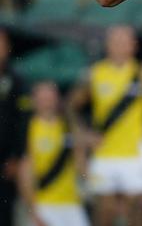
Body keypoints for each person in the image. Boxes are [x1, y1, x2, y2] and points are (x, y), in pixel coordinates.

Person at [66, 25, 142, 226]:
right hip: (103, 153)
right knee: (104, 212)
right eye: (115, 41)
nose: (119, 46)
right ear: (107, 46)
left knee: (135, 212)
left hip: (135, 154)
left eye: (124, 41)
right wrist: (83, 133)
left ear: (133, 46)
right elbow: (70, 105)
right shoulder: (95, 74)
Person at [17, 81, 90, 226]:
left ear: (57, 100)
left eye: (50, 98)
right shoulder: (28, 129)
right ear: (34, 101)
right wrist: (33, 212)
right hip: (44, 204)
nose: (47, 103)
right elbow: (25, 174)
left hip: (72, 204)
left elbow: (81, 165)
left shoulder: (69, 126)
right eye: (43, 99)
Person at [0, 28, 27, 226]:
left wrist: (17, 156)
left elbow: (22, 121)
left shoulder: (17, 81)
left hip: (6, 159)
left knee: (5, 211)